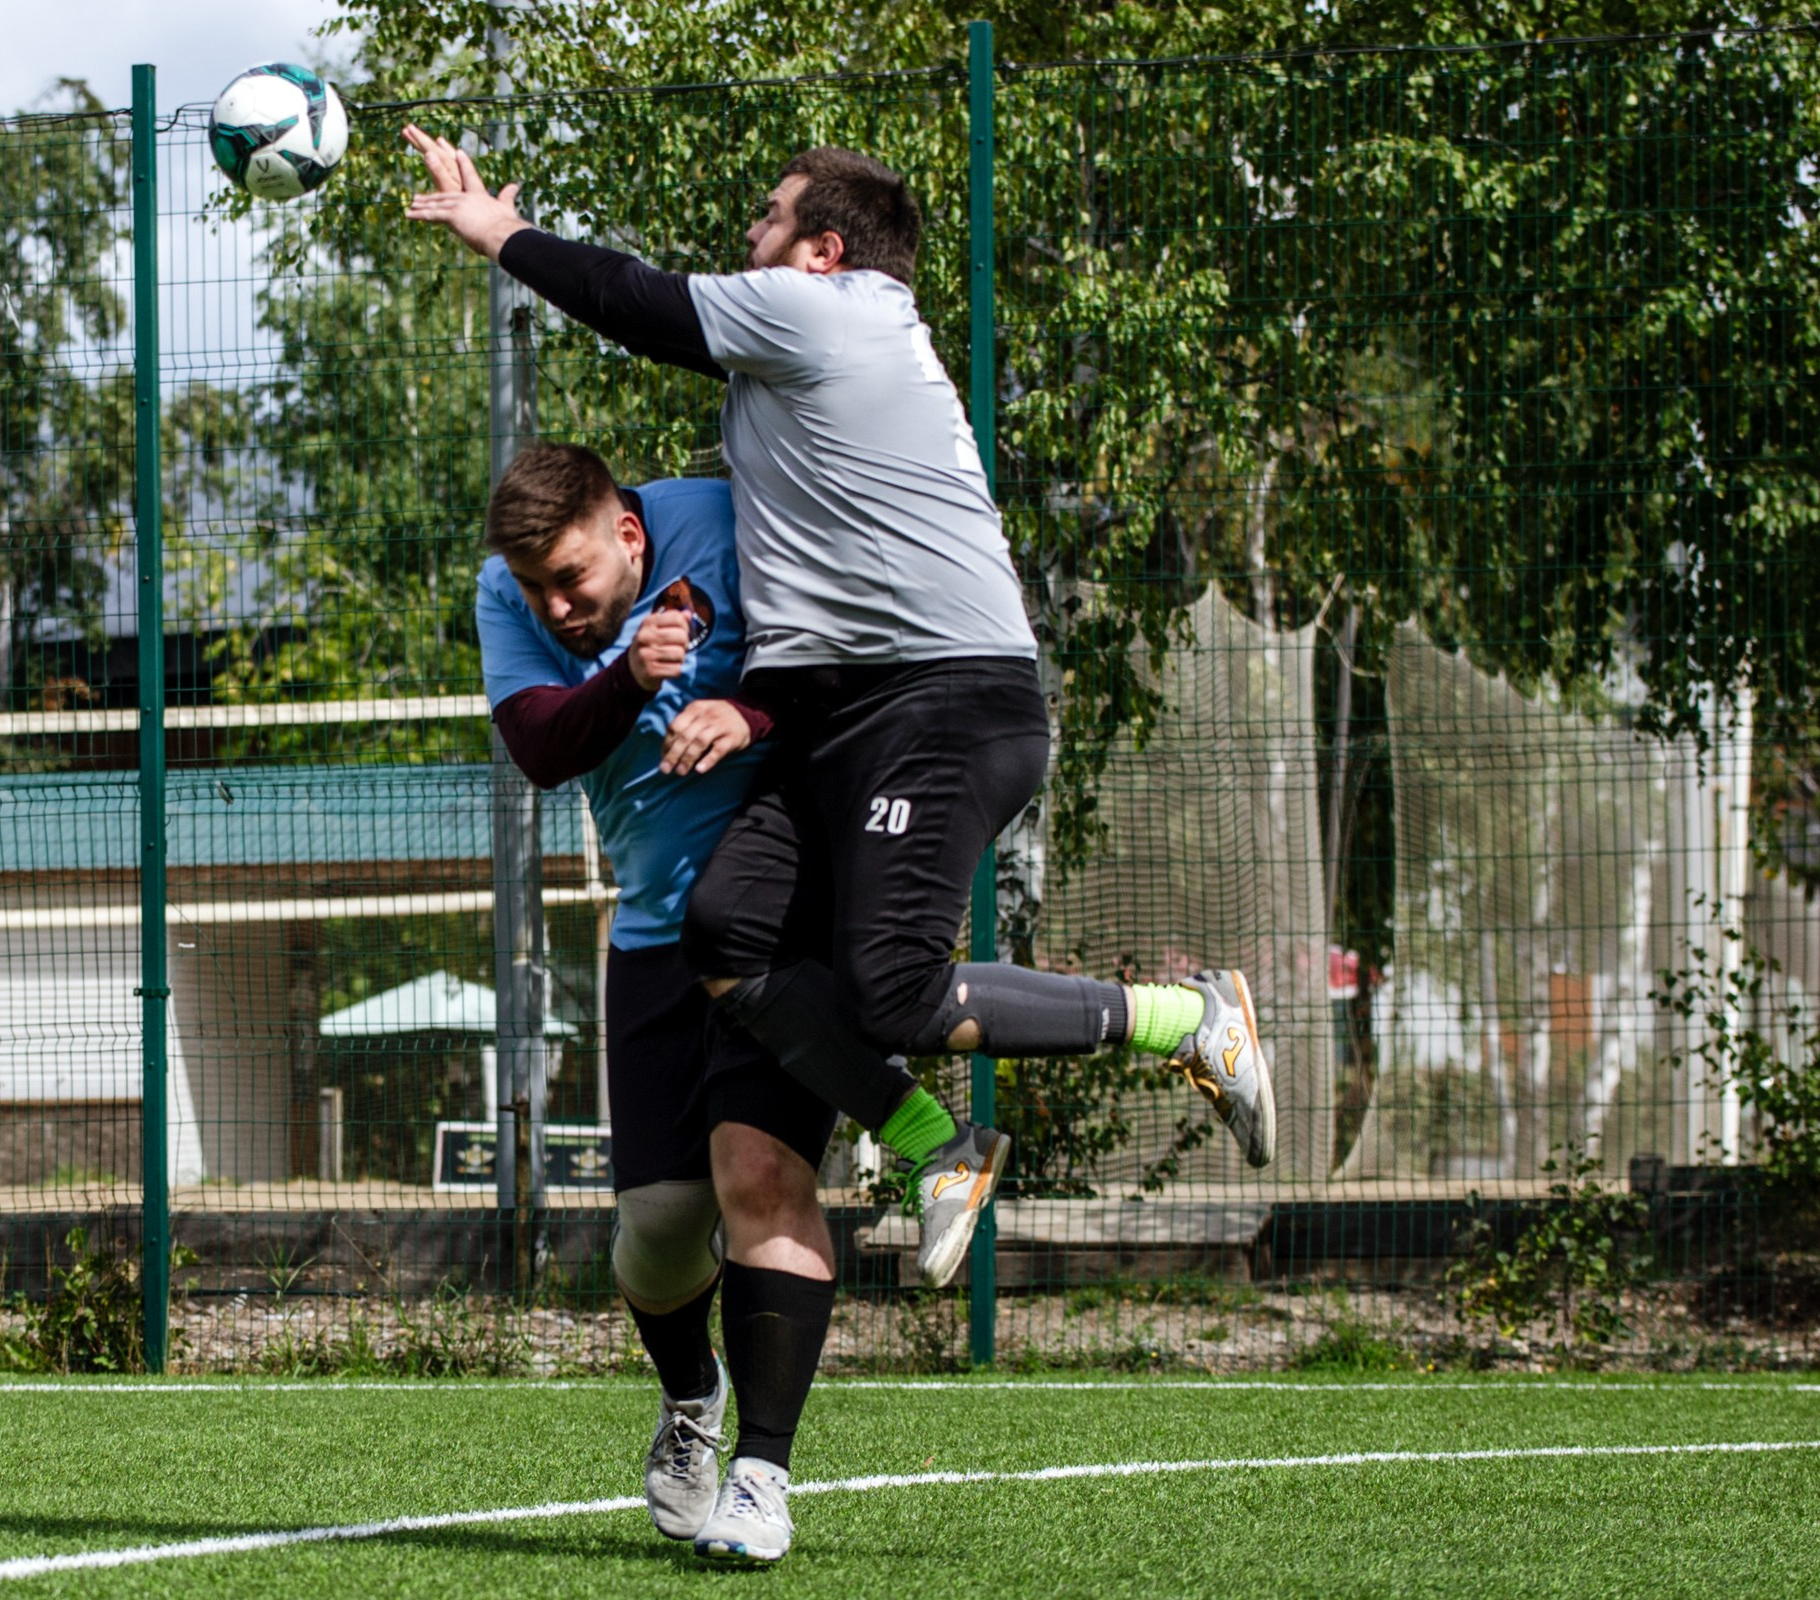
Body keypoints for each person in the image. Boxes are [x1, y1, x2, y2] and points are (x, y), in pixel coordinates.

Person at [424, 136, 1278, 1561]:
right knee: (672, 1169)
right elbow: (580, 729)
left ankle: (765, 1472)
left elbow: (643, 304)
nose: (748, 237)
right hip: (791, 788)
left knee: (824, 1085)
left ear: (822, 250)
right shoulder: (765, 425)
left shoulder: (828, 315)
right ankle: (904, 1169)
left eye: (768, 219)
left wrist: (501, 235)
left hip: (933, 698)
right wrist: (673, 685)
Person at [474, 441, 840, 1566]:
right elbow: (539, 744)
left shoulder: (735, 523)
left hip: (783, 918)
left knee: (762, 1179)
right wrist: (628, 676)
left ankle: (762, 1477)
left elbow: (837, 669)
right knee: (661, 1228)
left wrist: (748, 717)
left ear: (629, 535)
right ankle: (692, 1394)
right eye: (535, 586)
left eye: (570, 579)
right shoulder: (507, 594)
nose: (553, 606)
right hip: (653, 935)